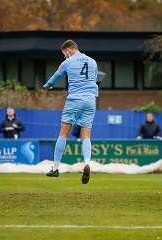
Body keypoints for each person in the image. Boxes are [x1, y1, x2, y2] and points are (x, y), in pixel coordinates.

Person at [43, 39, 98, 184]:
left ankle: (55, 168)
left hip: (75, 99)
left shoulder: (67, 62)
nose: (65, 57)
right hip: (91, 100)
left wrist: (47, 86)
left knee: (63, 132)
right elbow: (94, 78)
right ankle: (87, 163)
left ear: (69, 51)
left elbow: (55, 78)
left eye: (64, 54)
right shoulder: (93, 62)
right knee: (86, 135)